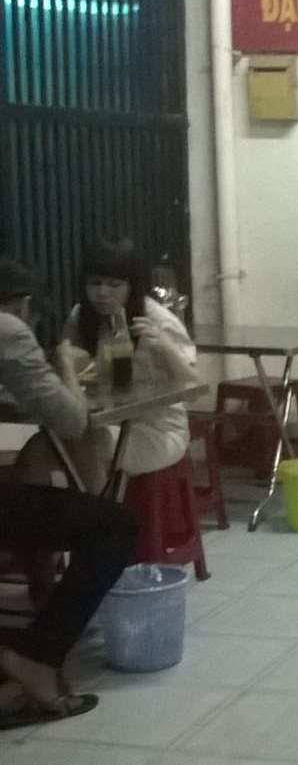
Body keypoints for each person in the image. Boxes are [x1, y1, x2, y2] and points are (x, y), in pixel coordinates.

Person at [0, 257, 137, 727]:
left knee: (30, 475)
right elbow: (74, 420)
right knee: (116, 526)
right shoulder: (8, 329)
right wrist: (62, 363)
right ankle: (35, 656)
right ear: (25, 305)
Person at [58, 239, 199, 493]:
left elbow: (193, 387)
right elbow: (74, 372)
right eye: (94, 283)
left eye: (114, 285)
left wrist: (165, 348)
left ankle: (99, 518)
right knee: (40, 448)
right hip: (104, 421)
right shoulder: (81, 317)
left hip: (157, 428)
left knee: (91, 445)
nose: (102, 293)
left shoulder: (158, 321)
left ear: (132, 286)